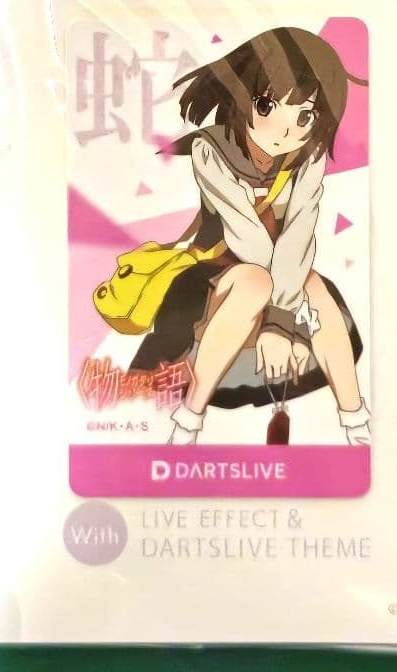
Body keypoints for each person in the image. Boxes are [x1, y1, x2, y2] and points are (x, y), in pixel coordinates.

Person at [129, 26, 370, 446]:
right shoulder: (211, 150)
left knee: (315, 286)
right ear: (242, 96)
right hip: (217, 268)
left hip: (283, 267)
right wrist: (280, 321)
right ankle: (188, 421)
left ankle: (357, 424)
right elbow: (247, 237)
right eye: (267, 106)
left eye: (305, 116)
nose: (285, 131)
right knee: (258, 281)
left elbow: (299, 231)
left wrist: (284, 320)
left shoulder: (308, 155)